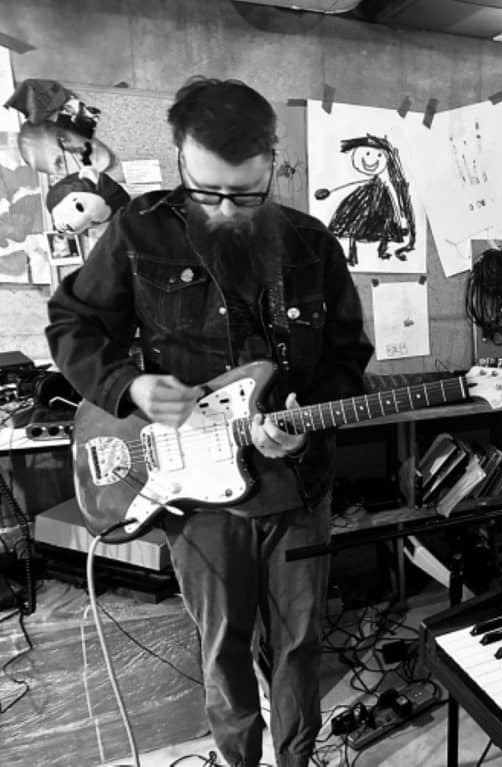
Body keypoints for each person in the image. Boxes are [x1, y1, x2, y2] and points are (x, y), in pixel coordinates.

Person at [46, 77, 374, 767]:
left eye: (245, 193)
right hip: (193, 492)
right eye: (207, 191)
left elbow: (348, 358)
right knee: (222, 646)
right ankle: (237, 760)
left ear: (273, 163)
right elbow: (73, 323)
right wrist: (128, 384)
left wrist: (306, 420)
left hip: (297, 486)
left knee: (298, 642)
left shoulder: (312, 244)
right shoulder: (138, 230)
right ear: (179, 158)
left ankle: (295, 758)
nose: (226, 208)